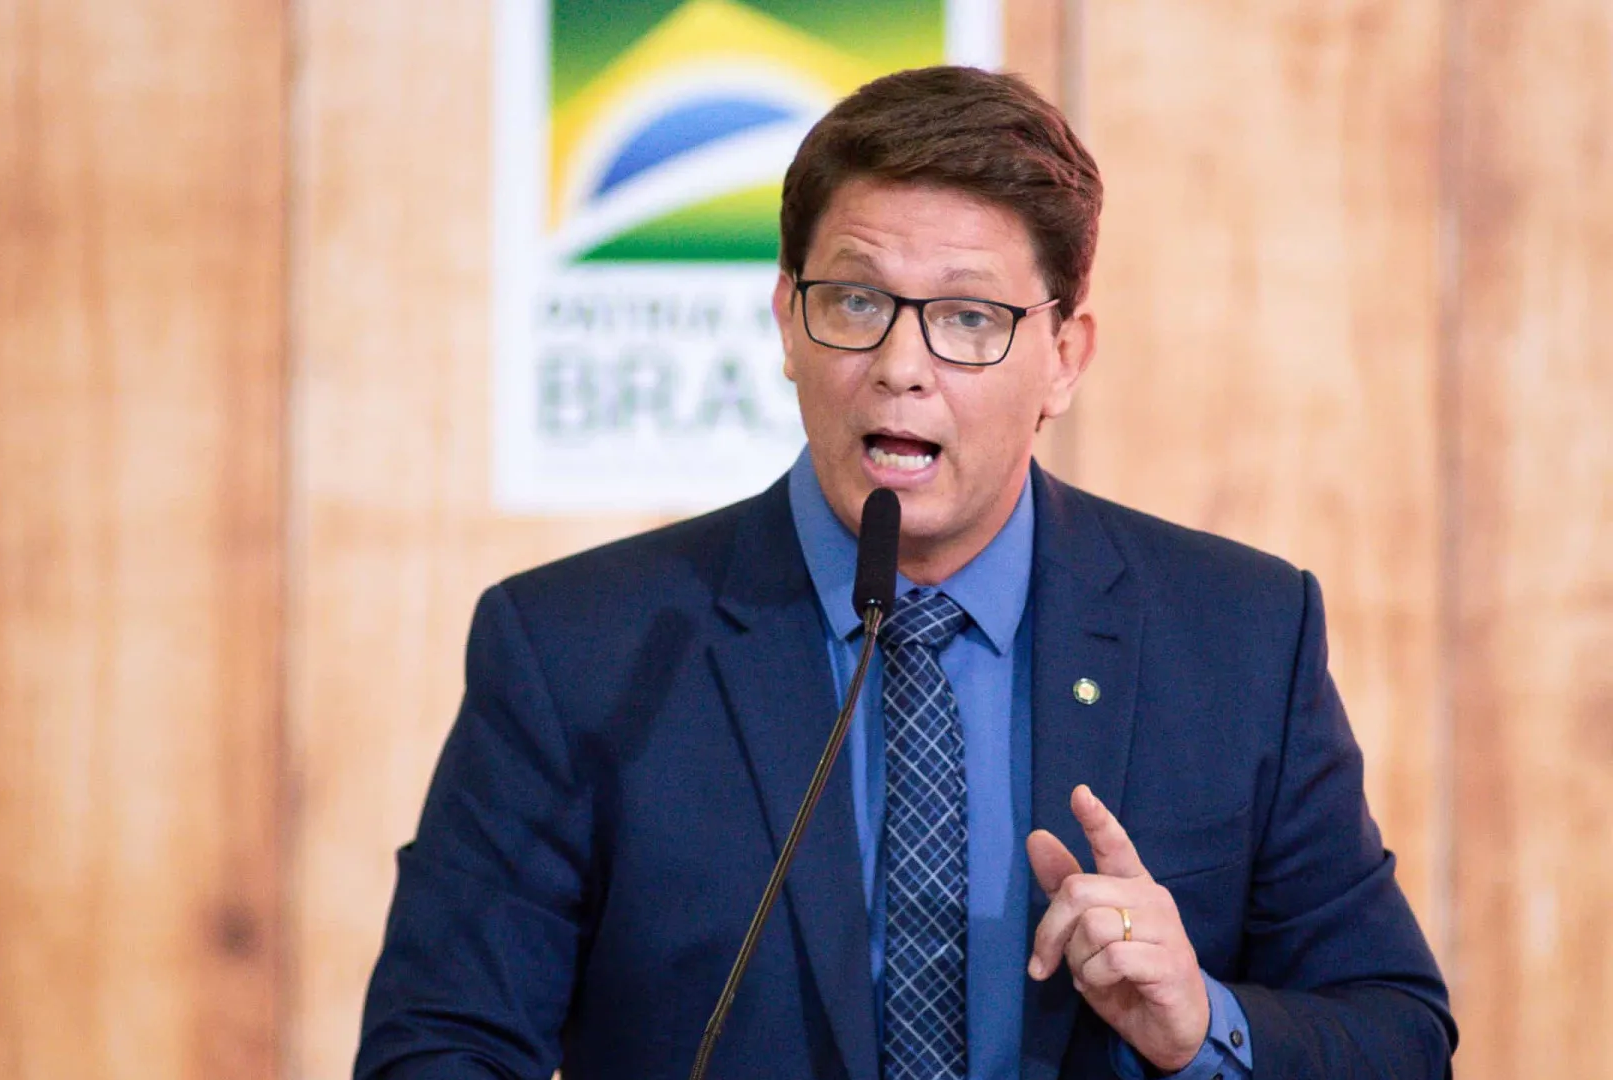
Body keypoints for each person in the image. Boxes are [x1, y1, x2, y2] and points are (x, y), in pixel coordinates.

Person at [355, 65, 1454, 1080]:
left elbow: (1399, 1035)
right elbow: (438, 1047)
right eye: (855, 302)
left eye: (969, 318)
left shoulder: (1238, 636)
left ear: (1064, 359)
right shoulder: (579, 650)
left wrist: (1201, 1023)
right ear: (788, 322)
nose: (899, 367)